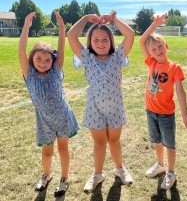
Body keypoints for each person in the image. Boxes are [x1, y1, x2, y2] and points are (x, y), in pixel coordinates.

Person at [67, 10, 135, 193]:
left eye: (105, 39)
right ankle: (98, 174)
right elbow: (71, 35)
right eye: (95, 40)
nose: (100, 43)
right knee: (99, 143)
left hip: (115, 108)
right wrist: (85, 18)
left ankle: (120, 169)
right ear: (90, 42)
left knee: (114, 141)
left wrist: (114, 20)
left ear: (111, 41)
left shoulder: (118, 56)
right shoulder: (87, 58)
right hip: (94, 108)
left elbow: (130, 34)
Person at [18, 10, 80, 197]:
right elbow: (21, 50)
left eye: (47, 60)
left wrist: (62, 28)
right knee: (46, 152)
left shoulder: (55, 71)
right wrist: (26, 27)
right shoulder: (29, 75)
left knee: (63, 149)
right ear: (32, 59)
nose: (43, 63)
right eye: (38, 59)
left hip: (62, 117)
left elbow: (61, 49)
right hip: (44, 121)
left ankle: (64, 178)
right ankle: (46, 175)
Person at [139, 13, 187, 190]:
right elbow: (142, 41)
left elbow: (180, 91)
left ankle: (171, 172)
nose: (157, 51)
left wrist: (185, 115)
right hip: (150, 111)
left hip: (165, 114)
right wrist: (154, 24)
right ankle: (160, 164)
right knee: (156, 141)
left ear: (166, 45)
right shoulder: (151, 63)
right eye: (153, 49)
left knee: (169, 144)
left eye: (160, 46)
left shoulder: (174, 67)